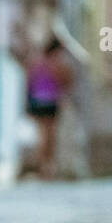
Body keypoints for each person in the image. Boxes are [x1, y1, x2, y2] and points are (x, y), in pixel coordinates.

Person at [23, 37, 73, 180]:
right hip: (50, 101)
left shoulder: (35, 62)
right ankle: (47, 167)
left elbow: (29, 82)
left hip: (37, 101)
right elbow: (65, 81)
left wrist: (27, 102)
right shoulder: (56, 63)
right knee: (50, 135)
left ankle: (43, 165)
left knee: (42, 135)